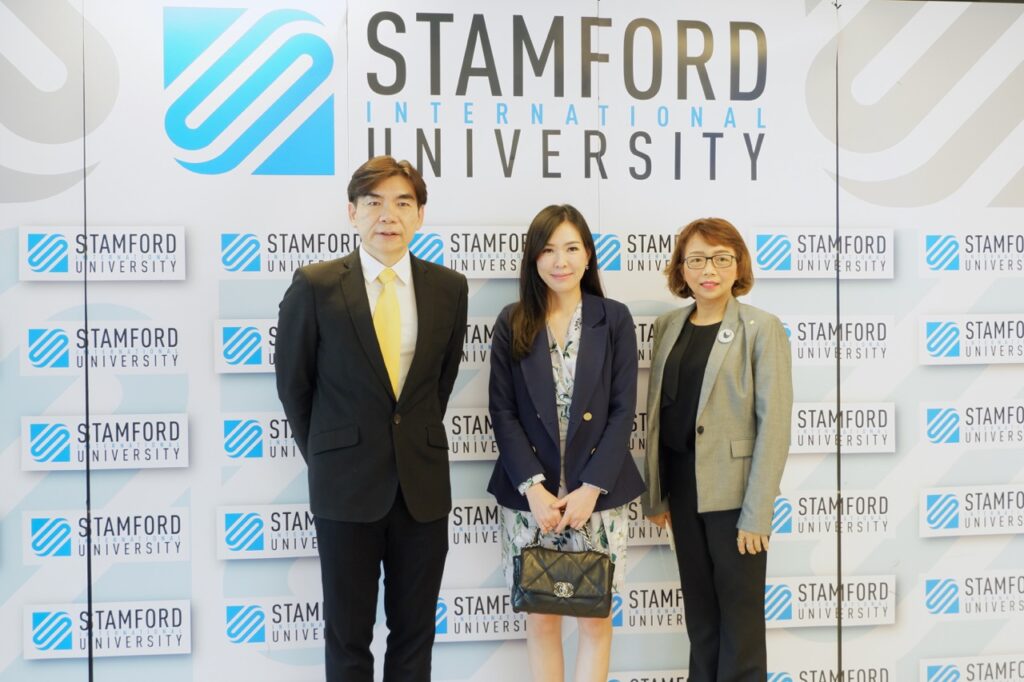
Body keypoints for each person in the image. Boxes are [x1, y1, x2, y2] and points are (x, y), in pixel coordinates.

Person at [274, 156, 468, 682]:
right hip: (345, 488)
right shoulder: (315, 285)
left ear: (420, 215)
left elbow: (438, 385)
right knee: (347, 638)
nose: (389, 215)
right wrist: (330, 455)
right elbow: (294, 385)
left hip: (422, 490)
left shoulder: (449, 288)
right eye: (374, 202)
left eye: (403, 203)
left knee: (415, 637)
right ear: (352, 212)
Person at [488, 204, 645, 682]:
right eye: (549, 250)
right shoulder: (513, 320)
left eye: (572, 248)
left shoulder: (613, 319)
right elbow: (503, 412)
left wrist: (591, 488)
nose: (561, 261)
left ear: (589, 255)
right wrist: (534, 490)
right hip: (530, 500)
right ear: (533, 258)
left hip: (597, 494)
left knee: (595, 620)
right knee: (540, 618)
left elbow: (623, 410)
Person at [642, 217, 792, 681]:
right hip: (683, 490)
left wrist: (758, 512)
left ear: (738, 265)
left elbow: (775, 424)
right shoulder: (668, 326)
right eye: (697, 259)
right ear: (681, 269)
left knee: (740, 625)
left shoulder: (760, 328)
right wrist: (656, 495)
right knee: (702, 621)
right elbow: (658, 412)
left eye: (721, 258)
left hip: (735, 496)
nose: (709, 269)